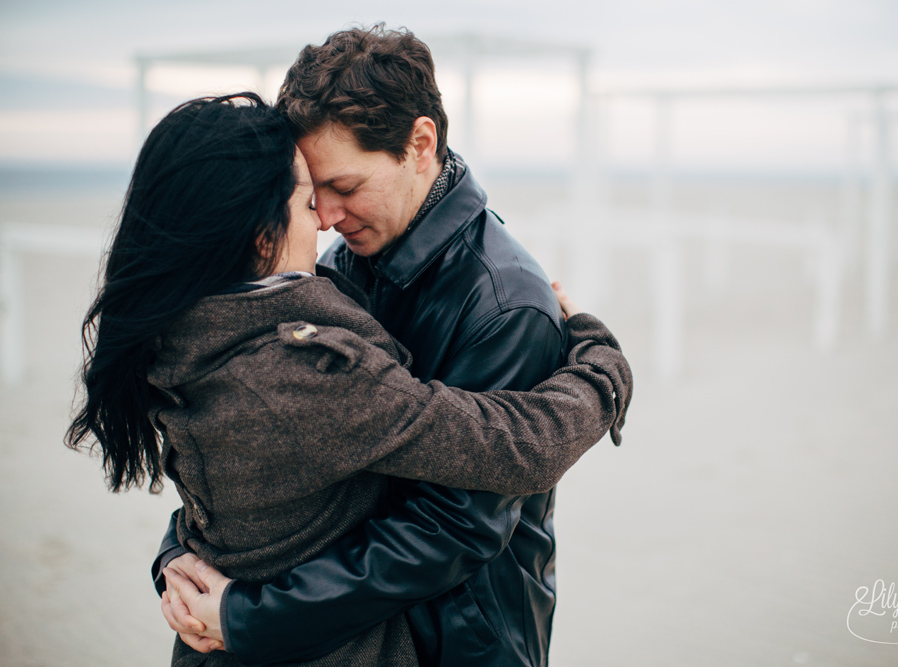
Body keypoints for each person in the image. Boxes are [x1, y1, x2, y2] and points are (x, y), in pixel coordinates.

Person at [66, 93, 631, 666]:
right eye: (311, 199)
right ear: (260, 234)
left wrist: (176, 561)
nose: (328, 219)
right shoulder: (305, 368)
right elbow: (517, 448)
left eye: (342, 188)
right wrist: (600, 360)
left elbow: (226, 493)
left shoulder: (177, 334)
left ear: (421, 145)